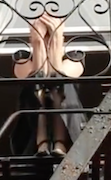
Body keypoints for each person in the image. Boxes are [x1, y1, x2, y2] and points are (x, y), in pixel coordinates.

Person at [10, 12, 84, 157]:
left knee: (61, 85)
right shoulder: (22, 58)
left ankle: (59, 143)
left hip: (72, 132)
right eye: (44, 35)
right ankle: (42, 143)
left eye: (49, 34)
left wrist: (55, 41)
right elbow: (36, 80)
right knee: (34, 86)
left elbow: (58, 77)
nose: (46, 40)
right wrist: (37, 44)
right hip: (29, 137)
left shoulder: (75, 57)